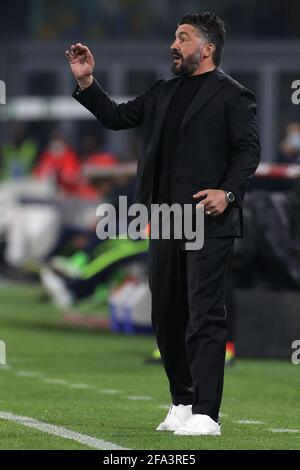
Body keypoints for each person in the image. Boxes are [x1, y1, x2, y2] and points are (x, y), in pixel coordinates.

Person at [66, 11, 260, 436]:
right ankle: (182, 401)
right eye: (175, 37)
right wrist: (85, 82)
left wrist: (227, 194)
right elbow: (116, 118)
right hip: (164, 221)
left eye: (184, 38)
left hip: (208, 220)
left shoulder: (234, 96)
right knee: (166, 314)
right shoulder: (162, 92)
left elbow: (248, 153)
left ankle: (208, 414)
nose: (174, 44)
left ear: (207, 49)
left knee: (204, 315)